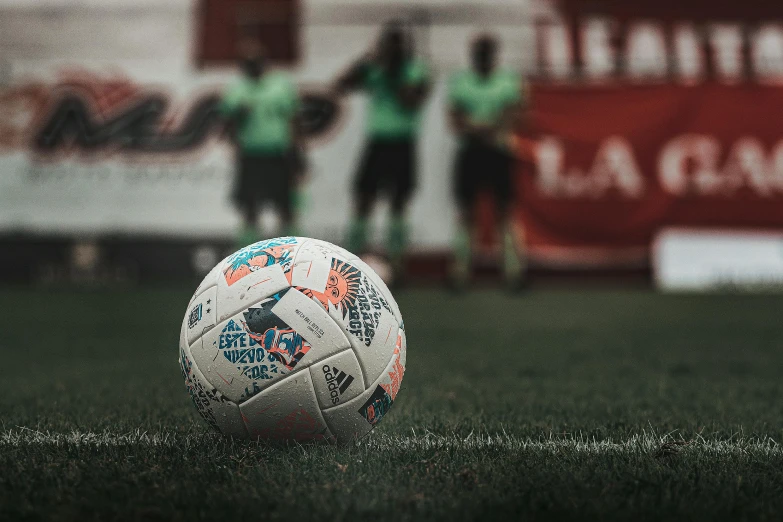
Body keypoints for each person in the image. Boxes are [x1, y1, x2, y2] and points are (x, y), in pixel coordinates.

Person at [334, 22, 431, 282]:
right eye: (389, 43)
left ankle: (397, 264)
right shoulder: (374, 68)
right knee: (363, 199)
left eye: (398, 44)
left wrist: (390, 73)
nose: (393, 49)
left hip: (402, 143)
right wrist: (365, 61)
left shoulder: (417, 70)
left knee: (398, 203)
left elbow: (411, 100)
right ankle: (352, 261)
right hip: (377, 143)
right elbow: (339, 85)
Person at [448, 35, 526, 290]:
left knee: (505, 211)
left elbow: (514, 115)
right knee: (467, 213)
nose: (482, 57)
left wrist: (478, 126)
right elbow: (455, 120)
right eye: (478, 53)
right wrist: (488, 127)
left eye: (486, 53)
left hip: (498, 153)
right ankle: (460, 274)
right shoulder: (461, 82)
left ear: (494, 55)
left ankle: (514, 273)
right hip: (471, 153)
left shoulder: (508, 81)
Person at [220, 38, 303, 247]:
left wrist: (299, 153)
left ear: (265, 62)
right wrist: (238, 113)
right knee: (250, 207)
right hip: (251, 155)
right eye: (248, 62)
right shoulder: (236, 88)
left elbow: (294, 120)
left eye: (256, 61)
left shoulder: (281, 85)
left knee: (286, 207)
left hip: (278, 153)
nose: (253, 66)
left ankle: (292, 253)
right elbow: (225, 126)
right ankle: (245, 256)